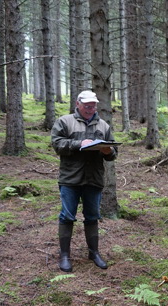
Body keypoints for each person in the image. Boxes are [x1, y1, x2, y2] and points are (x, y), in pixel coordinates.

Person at [51, 90, 118, 272]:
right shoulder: (65, 121)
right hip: (70, 178)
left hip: (94, 178)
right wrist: (78, 144)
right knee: (67, 216)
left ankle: (93, 252)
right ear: (78, 104)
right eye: (87, 105)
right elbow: (57, 144)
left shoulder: (103, 125)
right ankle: (64, 255)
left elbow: (112, 153)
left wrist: (108, 151)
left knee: (92, 216)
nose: (90, 109)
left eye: (93, 105)